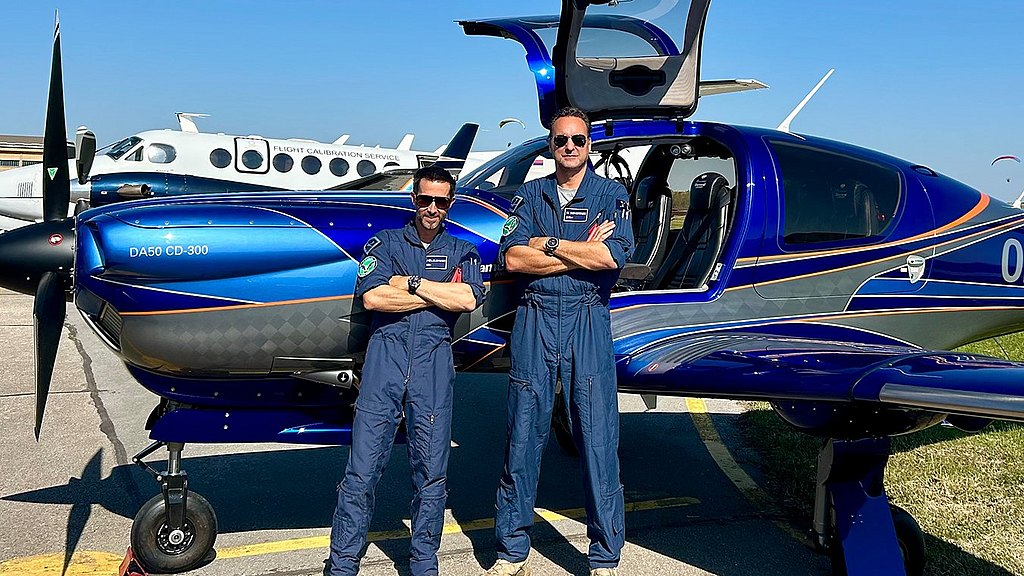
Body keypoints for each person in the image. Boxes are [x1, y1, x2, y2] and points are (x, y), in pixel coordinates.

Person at [482, 107, 634, 576]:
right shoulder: (531, 195)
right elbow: (513, 260)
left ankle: (605, 553)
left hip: (587, 318)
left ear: (590, 146)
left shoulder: (611, 194)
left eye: (578, 140)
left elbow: (613, 257)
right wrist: (575, 250)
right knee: (523, 432)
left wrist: (546, 244)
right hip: (537, 317)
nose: (570, 147)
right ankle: (511, 548)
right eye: (561, 140)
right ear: (551, 146)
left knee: (597, 436)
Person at [326, 165, 486, 576]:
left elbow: (467, 299)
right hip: (386, 358)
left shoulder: (462, 250)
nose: (431, 208)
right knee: (361, 470)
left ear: (450, 205)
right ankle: (342, 563)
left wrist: (410, 285)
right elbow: (376, 299)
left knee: (431, 472)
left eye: (440, 201)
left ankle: (423, 563)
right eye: (424, 199)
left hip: (433, 362)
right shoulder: (385, 243)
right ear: (413, 199)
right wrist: (437, 293)